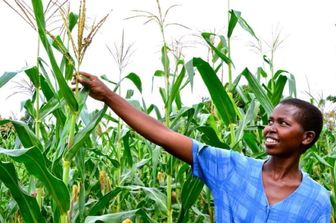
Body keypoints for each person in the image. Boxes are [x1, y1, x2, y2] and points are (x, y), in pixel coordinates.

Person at [77, 71, 331, 222]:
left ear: (306, 138)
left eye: (283, 123)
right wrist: (108, 96)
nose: (269, 129)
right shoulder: (231, 168)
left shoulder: (316, 200)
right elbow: (164, 135)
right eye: (269, 121)